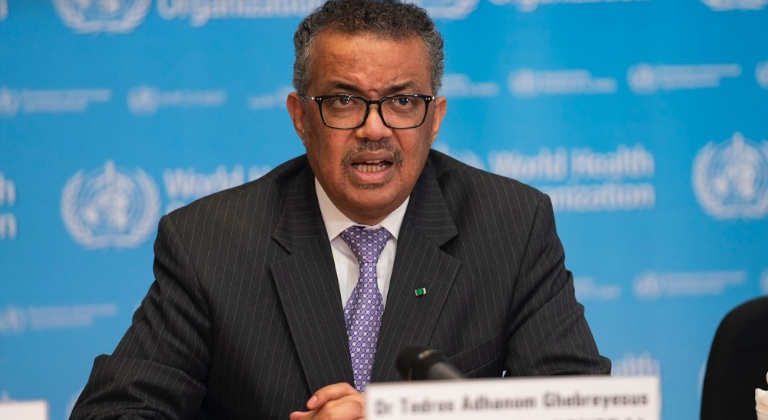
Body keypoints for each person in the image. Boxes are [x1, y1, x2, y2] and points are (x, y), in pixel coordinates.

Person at [71, 0, 611, 418]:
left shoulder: (511, 225)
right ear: (300, 117)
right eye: (345, 100)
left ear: (435, 118)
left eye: (402, 101)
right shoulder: (209, 243)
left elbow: (581, 407)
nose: (374, 129)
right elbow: (113, 412)